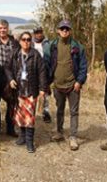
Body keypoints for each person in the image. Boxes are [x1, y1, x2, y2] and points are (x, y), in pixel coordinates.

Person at [45, 19, 87, 150]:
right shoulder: (52, 46)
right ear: (58, 30)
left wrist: (79, 81)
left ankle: (73, 137)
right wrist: (47, 83)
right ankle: (59, 132)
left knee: (74, 112)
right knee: (60, 110)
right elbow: (46, 66)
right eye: (62, 28)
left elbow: (83, 66)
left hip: (73, 86)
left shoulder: (77, 47)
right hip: (58, 85)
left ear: (70, 31)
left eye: (67, 29)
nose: (64, 31)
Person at [5, 31, 48, 153]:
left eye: (29, 39)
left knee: (29, 118)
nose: (26, 42)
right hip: (18, 91)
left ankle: (29, 141)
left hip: (31, 90)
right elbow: (7, 67)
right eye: (23, 39)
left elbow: (42, 72)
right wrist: (11, 79)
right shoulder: (15, 54)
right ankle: (22, 136)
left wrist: (42, 89)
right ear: (20, 41)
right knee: (20, 116)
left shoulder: (35, 55)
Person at [0, 19, 19, 137]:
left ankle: (10, 127)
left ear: (8, 29)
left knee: (11, 103)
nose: (2, 30)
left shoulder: (14, 43)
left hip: (10, 77)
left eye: (4, 28)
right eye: (0, 28)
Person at [32, 27, 52, 122]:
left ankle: (46, 112)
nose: (38, 34)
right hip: (33, 73)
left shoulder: (48, 44)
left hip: (45, 72)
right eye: (36, 33)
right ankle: (32, 113)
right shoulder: (31, 43)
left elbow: (52, 58)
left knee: (45, 93)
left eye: (40, 32)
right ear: (34, 34)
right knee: (33, 93)